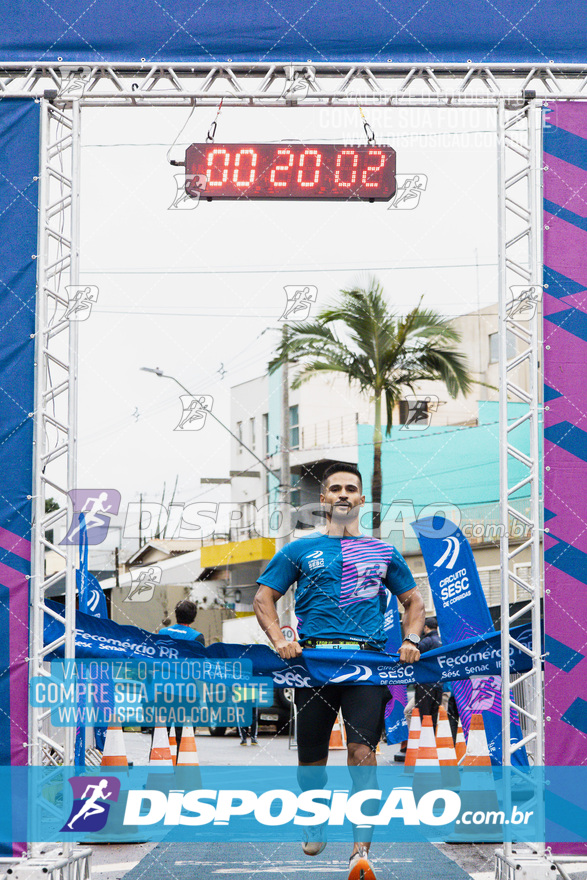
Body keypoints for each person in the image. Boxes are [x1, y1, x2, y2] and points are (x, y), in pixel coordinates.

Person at [253, 463, 425, 880]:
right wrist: (280, 641)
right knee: (312, 761)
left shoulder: (383, 552)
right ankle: (314, 815)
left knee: (362, 757)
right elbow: (263, 598)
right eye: (335, 489)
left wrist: (411, 640)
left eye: (352, 488)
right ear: (324, 499)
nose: (344, 494)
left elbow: (414, 602)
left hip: (366, 666)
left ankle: (360, 853)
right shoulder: (297, 550)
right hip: (313, 666)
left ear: (362, 500)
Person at [158, 600, 205, 749]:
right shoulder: (197, 637)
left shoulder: (163, 633)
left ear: (176, 614)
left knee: (159, 734)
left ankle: (157, 765)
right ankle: (181, 767)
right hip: (186, 694)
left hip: (163, 691)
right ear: (194, 617)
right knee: (184, 737)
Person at [414, 617, 443, 729]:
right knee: (434, 717)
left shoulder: (427, 641)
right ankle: (433, 743)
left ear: (425, 627)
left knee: (423, 716)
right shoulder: (441, 641)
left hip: (425, 684)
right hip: (438, 684)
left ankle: (423, 743)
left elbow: (415, 653)